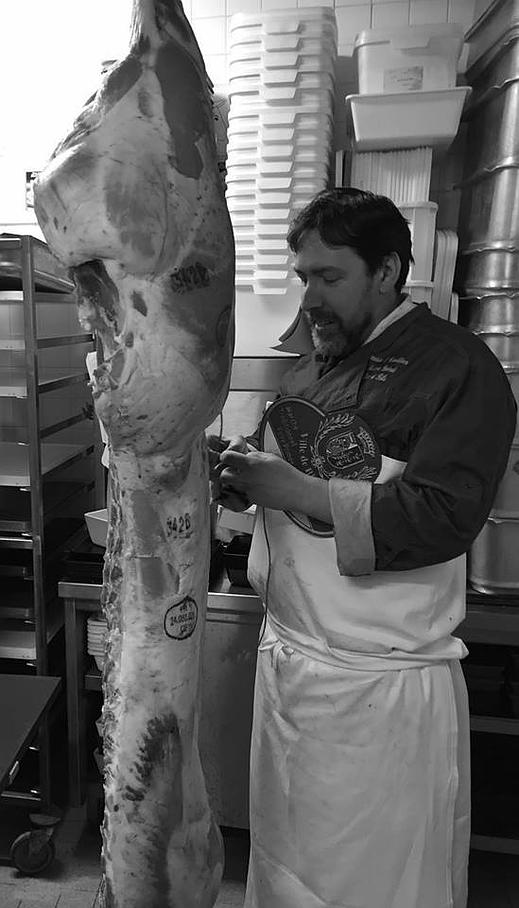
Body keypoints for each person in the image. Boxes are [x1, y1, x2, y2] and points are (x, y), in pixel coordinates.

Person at [208, 188, 517, 908]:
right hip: (289, 664)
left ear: (386, 270)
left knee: (365, 885)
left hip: (375, 689)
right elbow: (290, 468)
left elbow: (443, 515)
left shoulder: (456, 368)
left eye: (328, 277)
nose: (309, 297)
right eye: (303, 276)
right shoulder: (316, 359)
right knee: (285, 868)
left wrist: (298, 492)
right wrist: (242, 477)